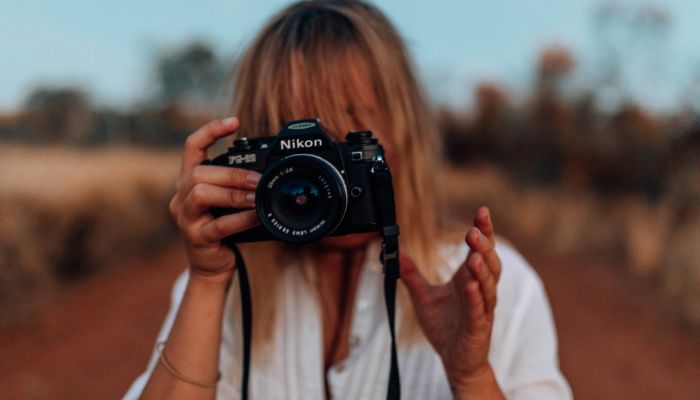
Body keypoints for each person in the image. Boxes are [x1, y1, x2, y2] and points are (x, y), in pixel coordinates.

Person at [124, 1, 572, 399]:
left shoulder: (496, 287)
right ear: (251, 154)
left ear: (404, 130)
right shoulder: (219, 284)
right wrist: (206, 283)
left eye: (352, 124)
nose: (318, 162)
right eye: (288, 129)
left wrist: (472, 379)